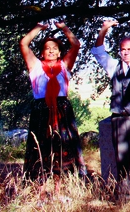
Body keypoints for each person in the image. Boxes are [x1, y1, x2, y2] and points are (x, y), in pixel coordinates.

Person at [19, 21, 86, 201]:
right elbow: (24, 43)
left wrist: (64, 28)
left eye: (55, 48)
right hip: (41, 113)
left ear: (59, 52)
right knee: (41, 150)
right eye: (47, 48)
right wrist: (39, 28)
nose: (51, 51)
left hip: (62, 112)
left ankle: (58, 189)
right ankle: (41, 191)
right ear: (41, 52)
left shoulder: (64, 66)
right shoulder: (35, 66)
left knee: (61, 150)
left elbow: (76, 44)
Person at [91, 19, 130, 194]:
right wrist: (104, 28)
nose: (126, 53)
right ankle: (126, 193)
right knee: (122, 156)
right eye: (123, 49)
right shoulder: (113, 67)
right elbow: (98, 51)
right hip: (119, 117)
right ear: (119, 51)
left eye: (129, 49)